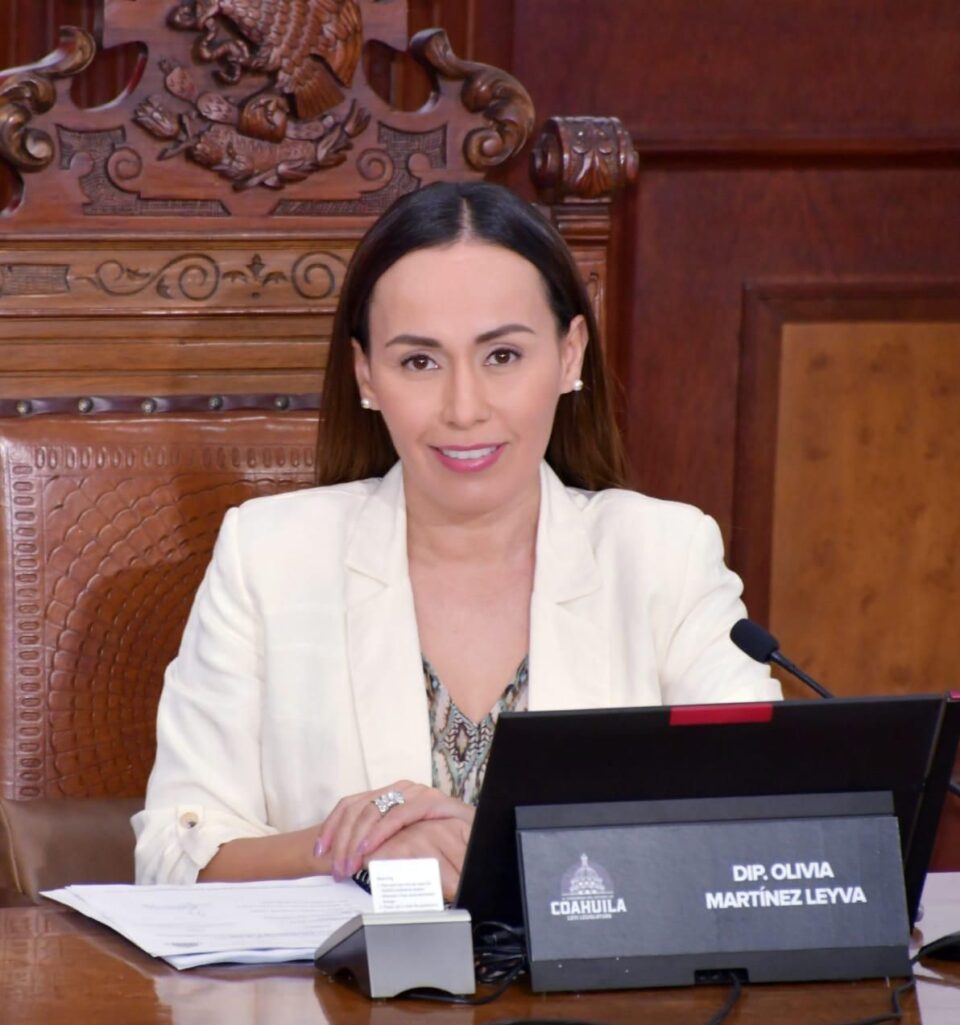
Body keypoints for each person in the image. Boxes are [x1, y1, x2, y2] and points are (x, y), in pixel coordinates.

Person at [133, 181, 779, 897]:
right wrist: (360, 849)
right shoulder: (270, 556)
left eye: (502, 356)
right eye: (420, 361)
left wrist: (507, 854)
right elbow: (172, 855)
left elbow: (764, 819)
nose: (464, 408)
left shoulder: (664, 555)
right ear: (366, 374)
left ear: (570, 356)